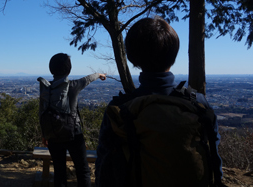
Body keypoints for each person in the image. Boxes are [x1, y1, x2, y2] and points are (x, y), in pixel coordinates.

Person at [95, 16, 223, 186]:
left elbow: (104, 167)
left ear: (133, 58)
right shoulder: (198, 103)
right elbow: (213, 156)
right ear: (173, 54)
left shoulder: (119, 109)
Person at [42, 53, 106, 187]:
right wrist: (99, 74)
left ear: (51, 69)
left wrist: (45, 134)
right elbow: (87, 79)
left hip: (53, 134)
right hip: (74, 133)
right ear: (68, 69)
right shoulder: (73, 85)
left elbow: (42, 112)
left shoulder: (46, 88)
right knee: (82, 170)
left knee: (59, 172)